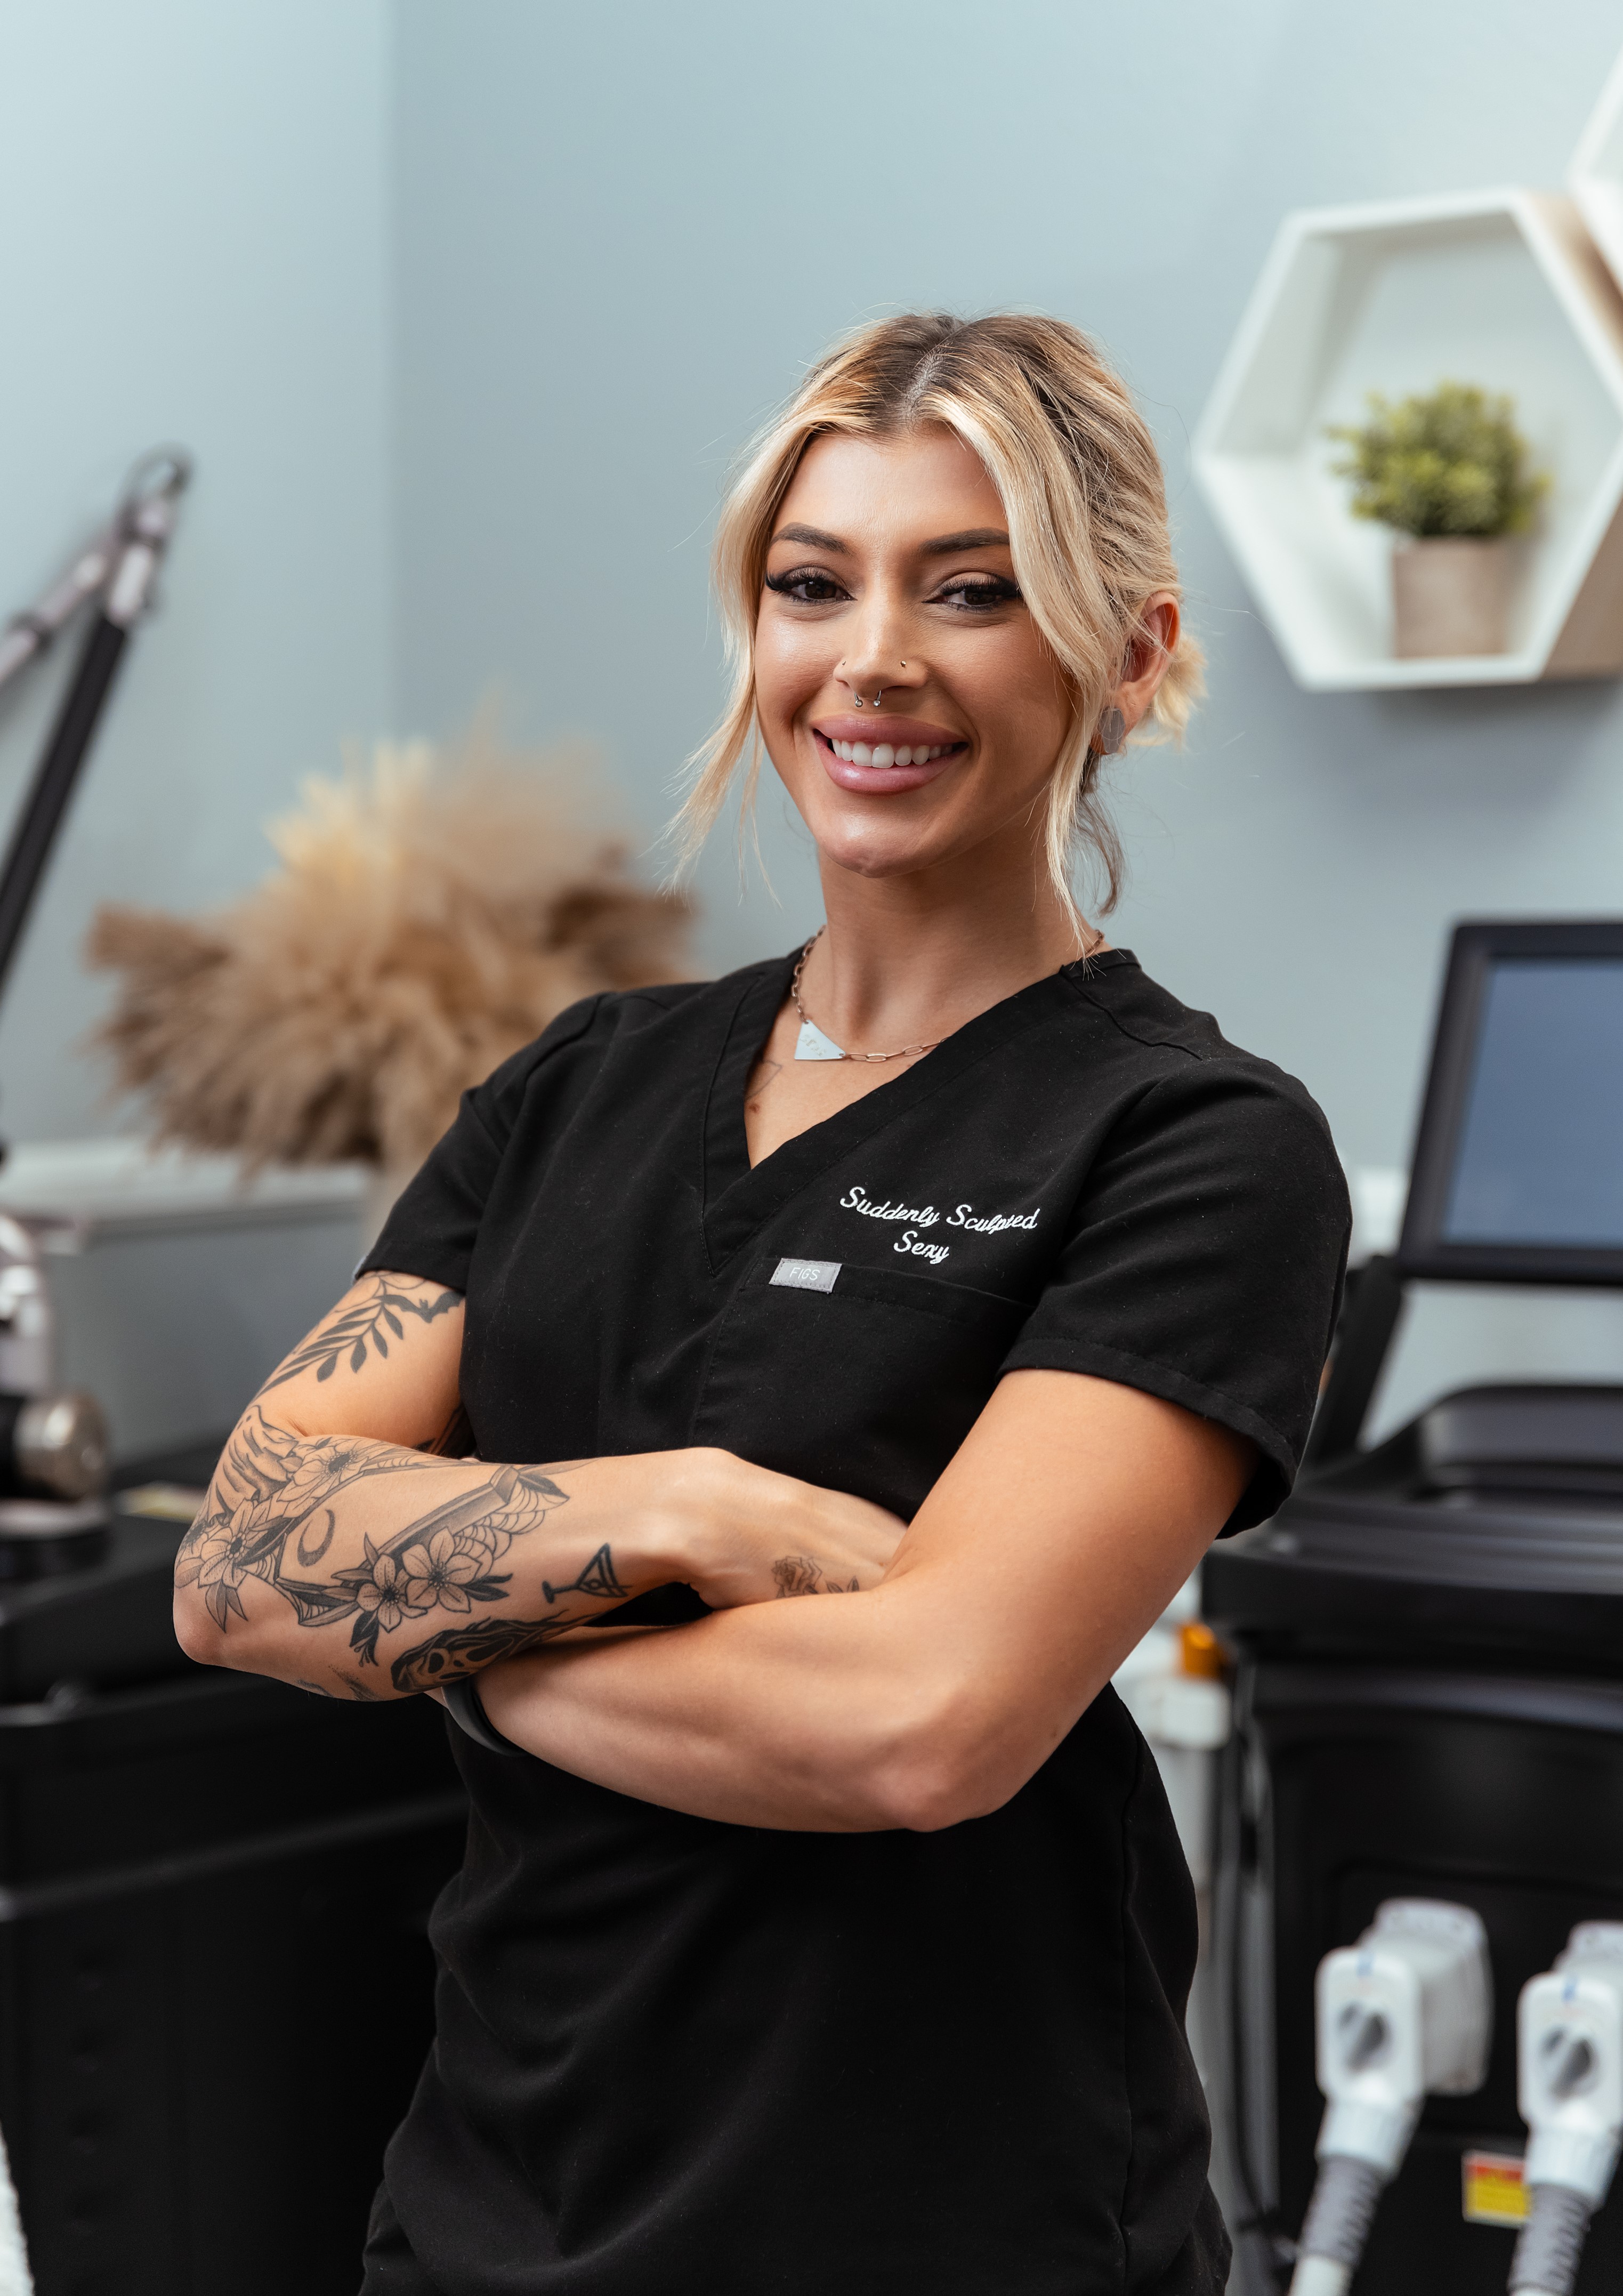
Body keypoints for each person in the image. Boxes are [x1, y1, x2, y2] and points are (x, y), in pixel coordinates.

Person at [175, 310, 1350, 2295]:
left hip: (949, 2224)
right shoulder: (580, 1083)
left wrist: (427, 1626)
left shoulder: (1192, 1141)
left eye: (972, 590)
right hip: (493, 2214)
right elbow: (233, 1561)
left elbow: (919, 1725)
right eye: (815, 584)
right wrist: (687, 1515)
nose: (871, 656)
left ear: (1127, 651)